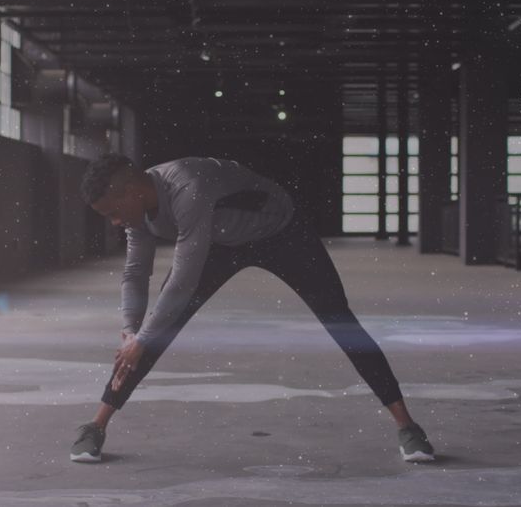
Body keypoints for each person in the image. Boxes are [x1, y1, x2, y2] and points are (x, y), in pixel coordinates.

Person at [70, 154, 435, 463]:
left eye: (114, 213)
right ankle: (96, 425)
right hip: (221, 240)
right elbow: (135, 272)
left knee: (340, 321)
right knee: (152, 334)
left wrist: (142, 337)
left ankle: (408, 426)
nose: (115, 223)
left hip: (282, 233)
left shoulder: (187, 189)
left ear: (133, 193)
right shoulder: (138, 211)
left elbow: (180, 284)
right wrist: (131, 330)